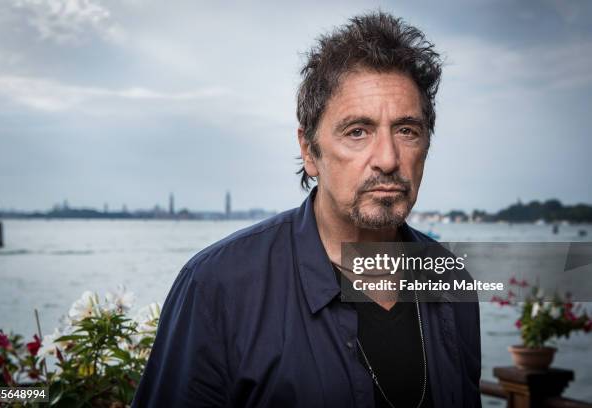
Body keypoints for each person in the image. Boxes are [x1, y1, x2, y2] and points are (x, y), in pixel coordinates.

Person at [132, 11, 481, 408]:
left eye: (407, 130)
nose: (387, 158)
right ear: (309, 150)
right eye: (357, 131)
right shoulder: (218, 286)